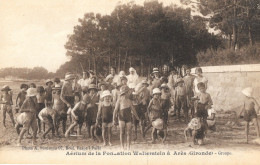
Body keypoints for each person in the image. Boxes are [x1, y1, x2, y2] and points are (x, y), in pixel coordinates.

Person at [113, 85, 140, 150]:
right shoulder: (119, 100)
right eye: (128, 92)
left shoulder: (129, 100)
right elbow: (115, 110)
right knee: (122, 132)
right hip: (121, 117)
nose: (129, 93)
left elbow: (133, 109)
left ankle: (128, 146)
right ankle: (122, 146)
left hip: (128, 117)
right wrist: (114, 119)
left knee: (129, 132)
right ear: (125, 93)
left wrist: (137, 117)